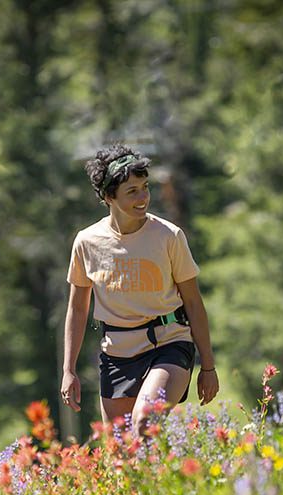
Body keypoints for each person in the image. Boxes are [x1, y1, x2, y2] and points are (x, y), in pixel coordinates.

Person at [61, 144, 218, 436]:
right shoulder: (86, 242)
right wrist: (68, 370)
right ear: (109, 197)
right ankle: (173, 479)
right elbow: (78, 308)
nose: (143, 197)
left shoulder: (169, 236)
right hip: (116, 354)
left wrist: (207, 366)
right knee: (123, 457)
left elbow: (194, 303)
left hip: (169, 344)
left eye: (145, 187)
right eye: (132, 191)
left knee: (145, 423)